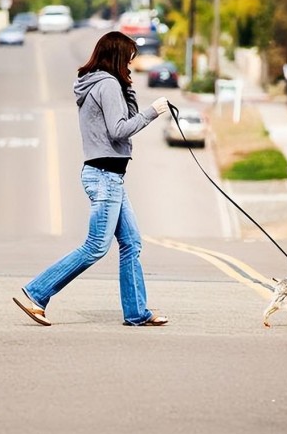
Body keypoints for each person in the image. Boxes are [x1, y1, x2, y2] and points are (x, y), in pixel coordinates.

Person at [13, 31, 170, 327]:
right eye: (129, 60)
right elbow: (119, 130)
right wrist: (153, 112)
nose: (132, 65)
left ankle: (136, 313)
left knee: (131, 243)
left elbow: (124, 120)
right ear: (118, 57)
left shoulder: (104, 83)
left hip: (109, 176)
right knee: (96, 246)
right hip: (104, 176)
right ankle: (37, 292)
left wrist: (130, 90)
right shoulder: (107, 85)